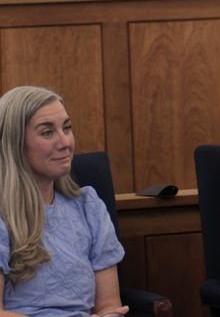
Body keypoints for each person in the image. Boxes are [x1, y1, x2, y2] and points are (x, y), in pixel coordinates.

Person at [0, 86, 128, 317]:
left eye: (66, 128)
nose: (65, 142)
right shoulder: (3, 214)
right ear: (15, 143)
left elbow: (109, 305)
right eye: (47, 132)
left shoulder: (89, 206)